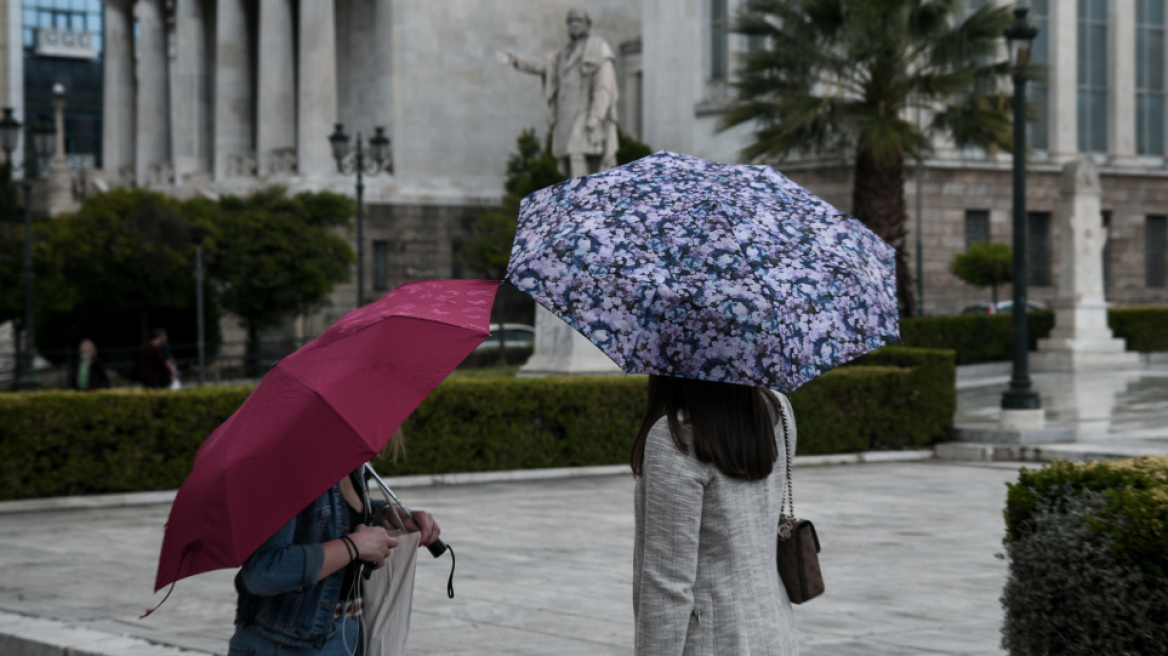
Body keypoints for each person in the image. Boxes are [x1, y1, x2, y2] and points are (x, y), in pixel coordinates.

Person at [631, 376, 799, 655]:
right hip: (774, 629)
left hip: (710, 641)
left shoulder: (676, 438)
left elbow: (668, 582)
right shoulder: (777, 409)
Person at [227, 464, 441, 655]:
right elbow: (264, 572)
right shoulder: (287, 465)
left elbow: (337, 517)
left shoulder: (351, 463)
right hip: (286, 644)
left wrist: (387, 515)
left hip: (348, 633)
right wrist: (354, 546)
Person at [505, 8, 619, 178]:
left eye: (578, 20)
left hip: (586, 115)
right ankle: (577, 199)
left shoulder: (598, 48)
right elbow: (542, 65)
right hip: (566, 116)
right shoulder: (562, 54)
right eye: (571, 21)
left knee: (580, 156)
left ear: (588, 25)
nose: (574, 24)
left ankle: (582, 200)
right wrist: (517, 60)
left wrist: (595, 117)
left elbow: (603, 86)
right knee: (569, 160)